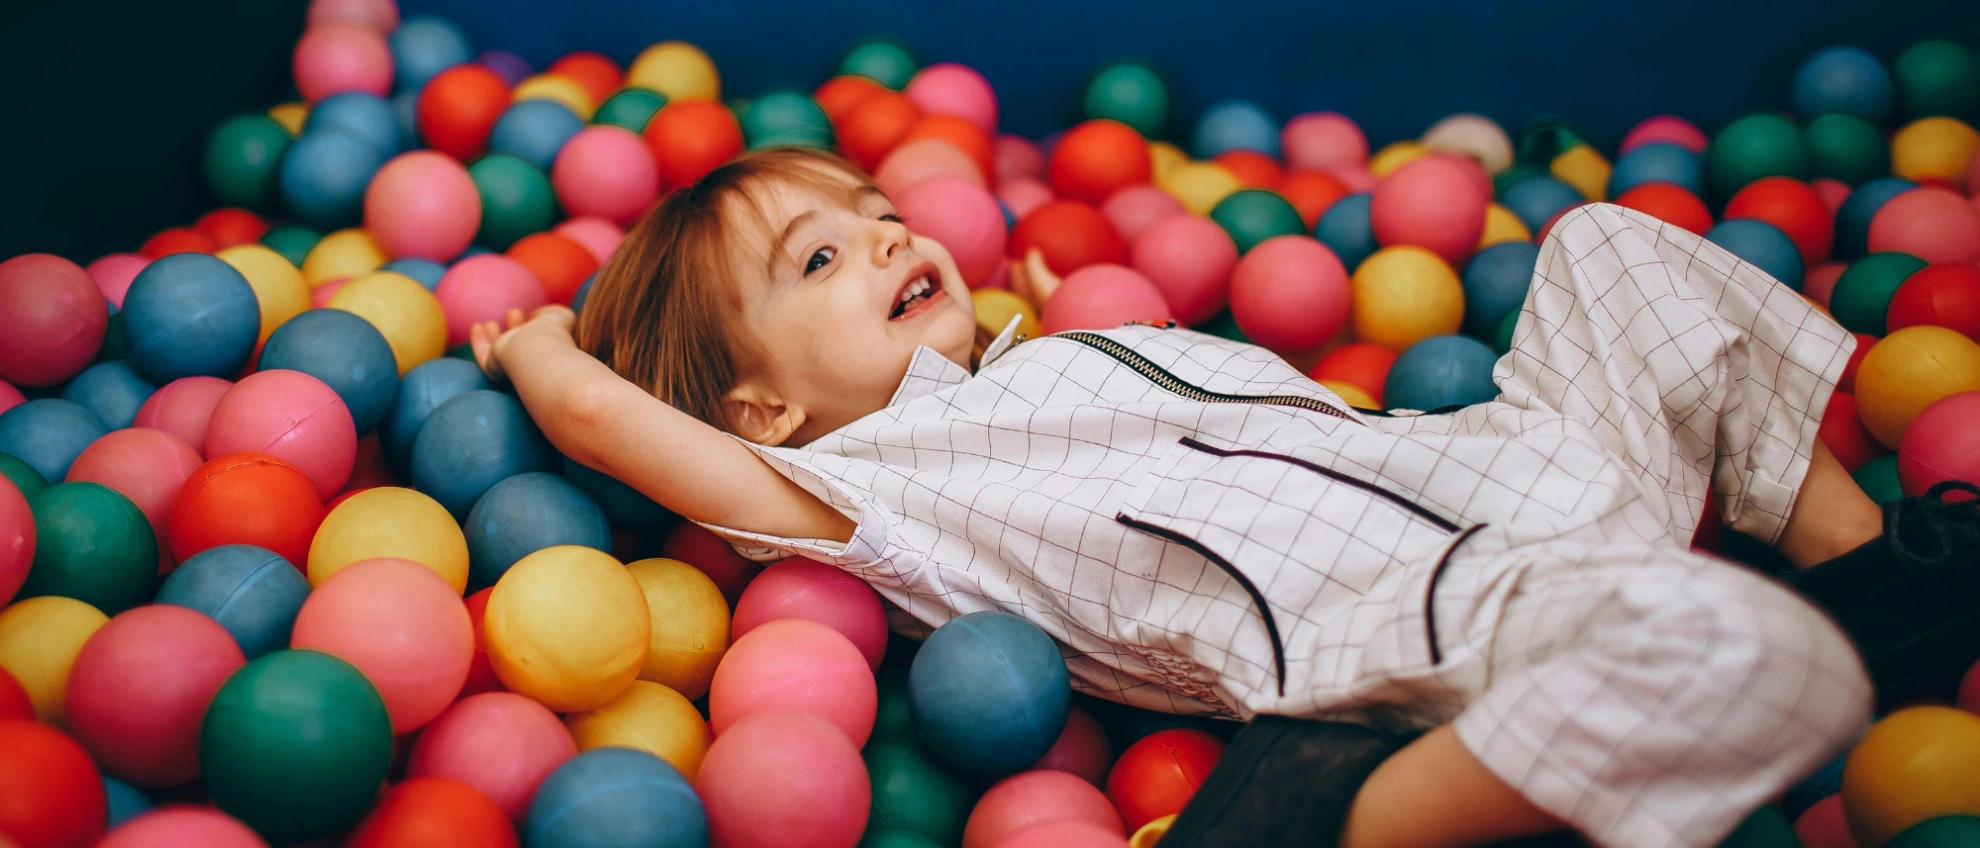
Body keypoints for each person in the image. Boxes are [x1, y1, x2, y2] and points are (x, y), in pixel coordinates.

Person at [471, 147, 1979, 848]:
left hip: (1509, 467)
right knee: (1752, 661)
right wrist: (540, 345)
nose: (877, 243)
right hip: (1426, 622)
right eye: (817, 263)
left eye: (872, 219)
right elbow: (613, 422)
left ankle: (1860, 566)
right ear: (762, 412)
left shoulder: (1041, 352)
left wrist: (1061, 323)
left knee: (1605, 247)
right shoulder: (859, 484)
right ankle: (1346, 816)